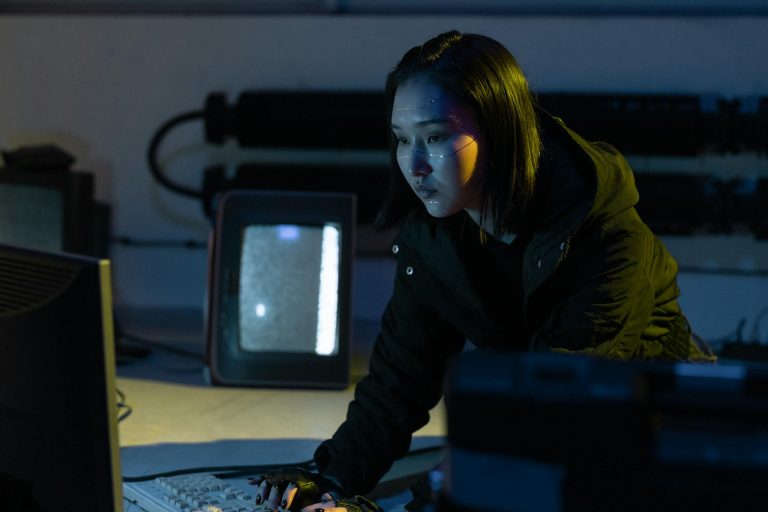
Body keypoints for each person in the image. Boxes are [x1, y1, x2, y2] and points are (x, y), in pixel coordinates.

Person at [250, 29, 716, 512]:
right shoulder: (437, 235)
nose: (414, 165)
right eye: (401, 139)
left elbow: (553, 420)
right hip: (532, 430)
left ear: (499, 133)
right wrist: (330, 479)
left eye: (434, 137)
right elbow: (399, 381)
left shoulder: (606, 239)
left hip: (657, 439)